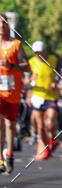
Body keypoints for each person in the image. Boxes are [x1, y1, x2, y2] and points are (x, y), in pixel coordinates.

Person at [0, 14, 29, 173]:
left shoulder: (16, 45)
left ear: (7, 26)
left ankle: (9, 154)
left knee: (9, 124)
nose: (1, 26)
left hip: (12, 91)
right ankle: (0, 158)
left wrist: (12, 65)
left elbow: (27, 66)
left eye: (4, 23)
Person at [28, 40, 61, 160]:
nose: (38, 55)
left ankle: (53, 138)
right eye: (36, 53)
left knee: (51, 120)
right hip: (37, 96)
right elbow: (26, 82)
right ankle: (45, 148)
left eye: (40, 52)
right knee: (40, 126)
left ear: (44, 51)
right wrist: (31, 79)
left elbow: (60, 73)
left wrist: (56, 82)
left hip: (51, 96)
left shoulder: (53, 59)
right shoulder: (31, 62)